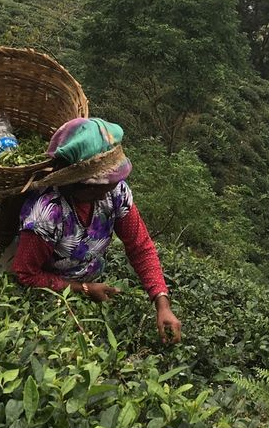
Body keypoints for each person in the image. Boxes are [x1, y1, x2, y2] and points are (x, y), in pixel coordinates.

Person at [11, 116, 182, 343]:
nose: (114, 187)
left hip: (92, 283)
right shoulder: (46, 214)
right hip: (51, 299)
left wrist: (162, 302)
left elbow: (139, 246)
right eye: (106, 183)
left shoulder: (115, 192)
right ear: (81, 183)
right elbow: (25, 275)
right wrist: (82, 289)